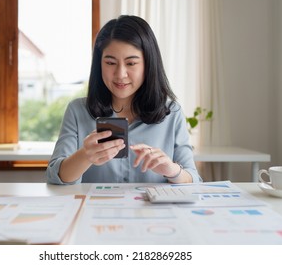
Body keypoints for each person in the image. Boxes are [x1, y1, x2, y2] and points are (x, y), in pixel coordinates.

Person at [47, 15, 201, 184]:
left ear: (148, 64)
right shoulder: (77, 111)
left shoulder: (172, 113)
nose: (120, 74)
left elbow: (193, 180)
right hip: (95, 210)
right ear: (99, 65)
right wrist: (85, 155)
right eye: (110, 63)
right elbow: (55, 177)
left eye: (131, 63)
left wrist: (172, 170)